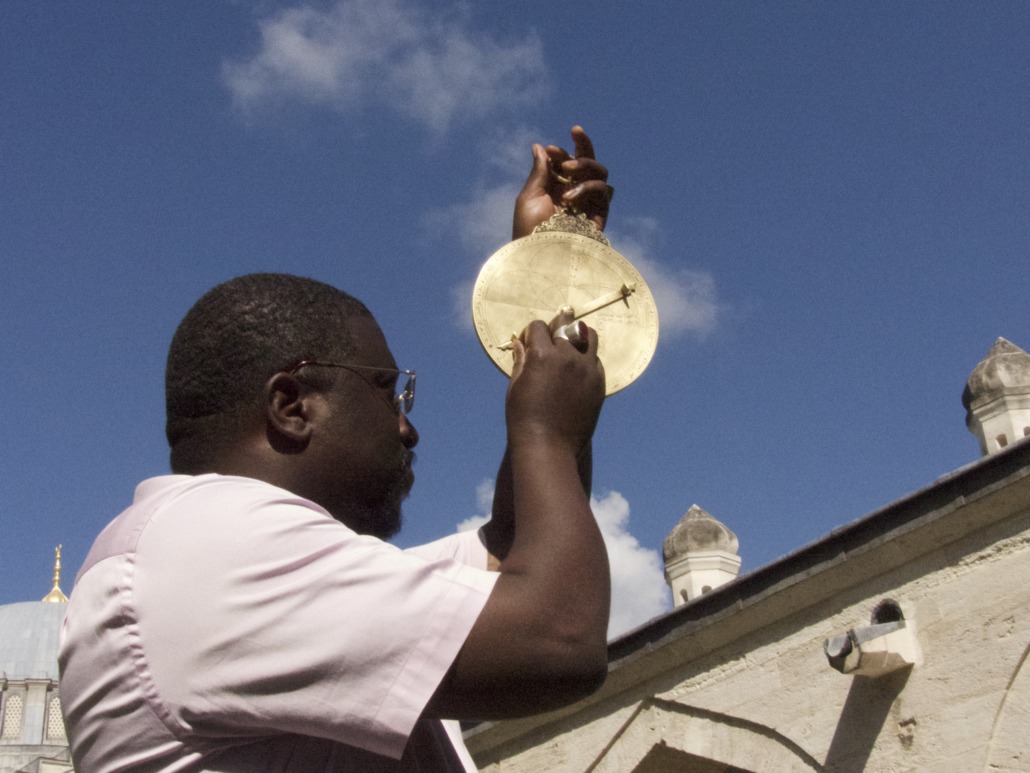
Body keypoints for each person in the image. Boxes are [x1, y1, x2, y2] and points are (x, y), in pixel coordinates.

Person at [59, 127, 614, 772]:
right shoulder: (204, 546)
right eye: (389, 393)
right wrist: (546, 432)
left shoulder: (229, 557)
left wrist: (550, 287)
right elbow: (556, 636)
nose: (407, 429)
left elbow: (516, 552)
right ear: (292, 405)